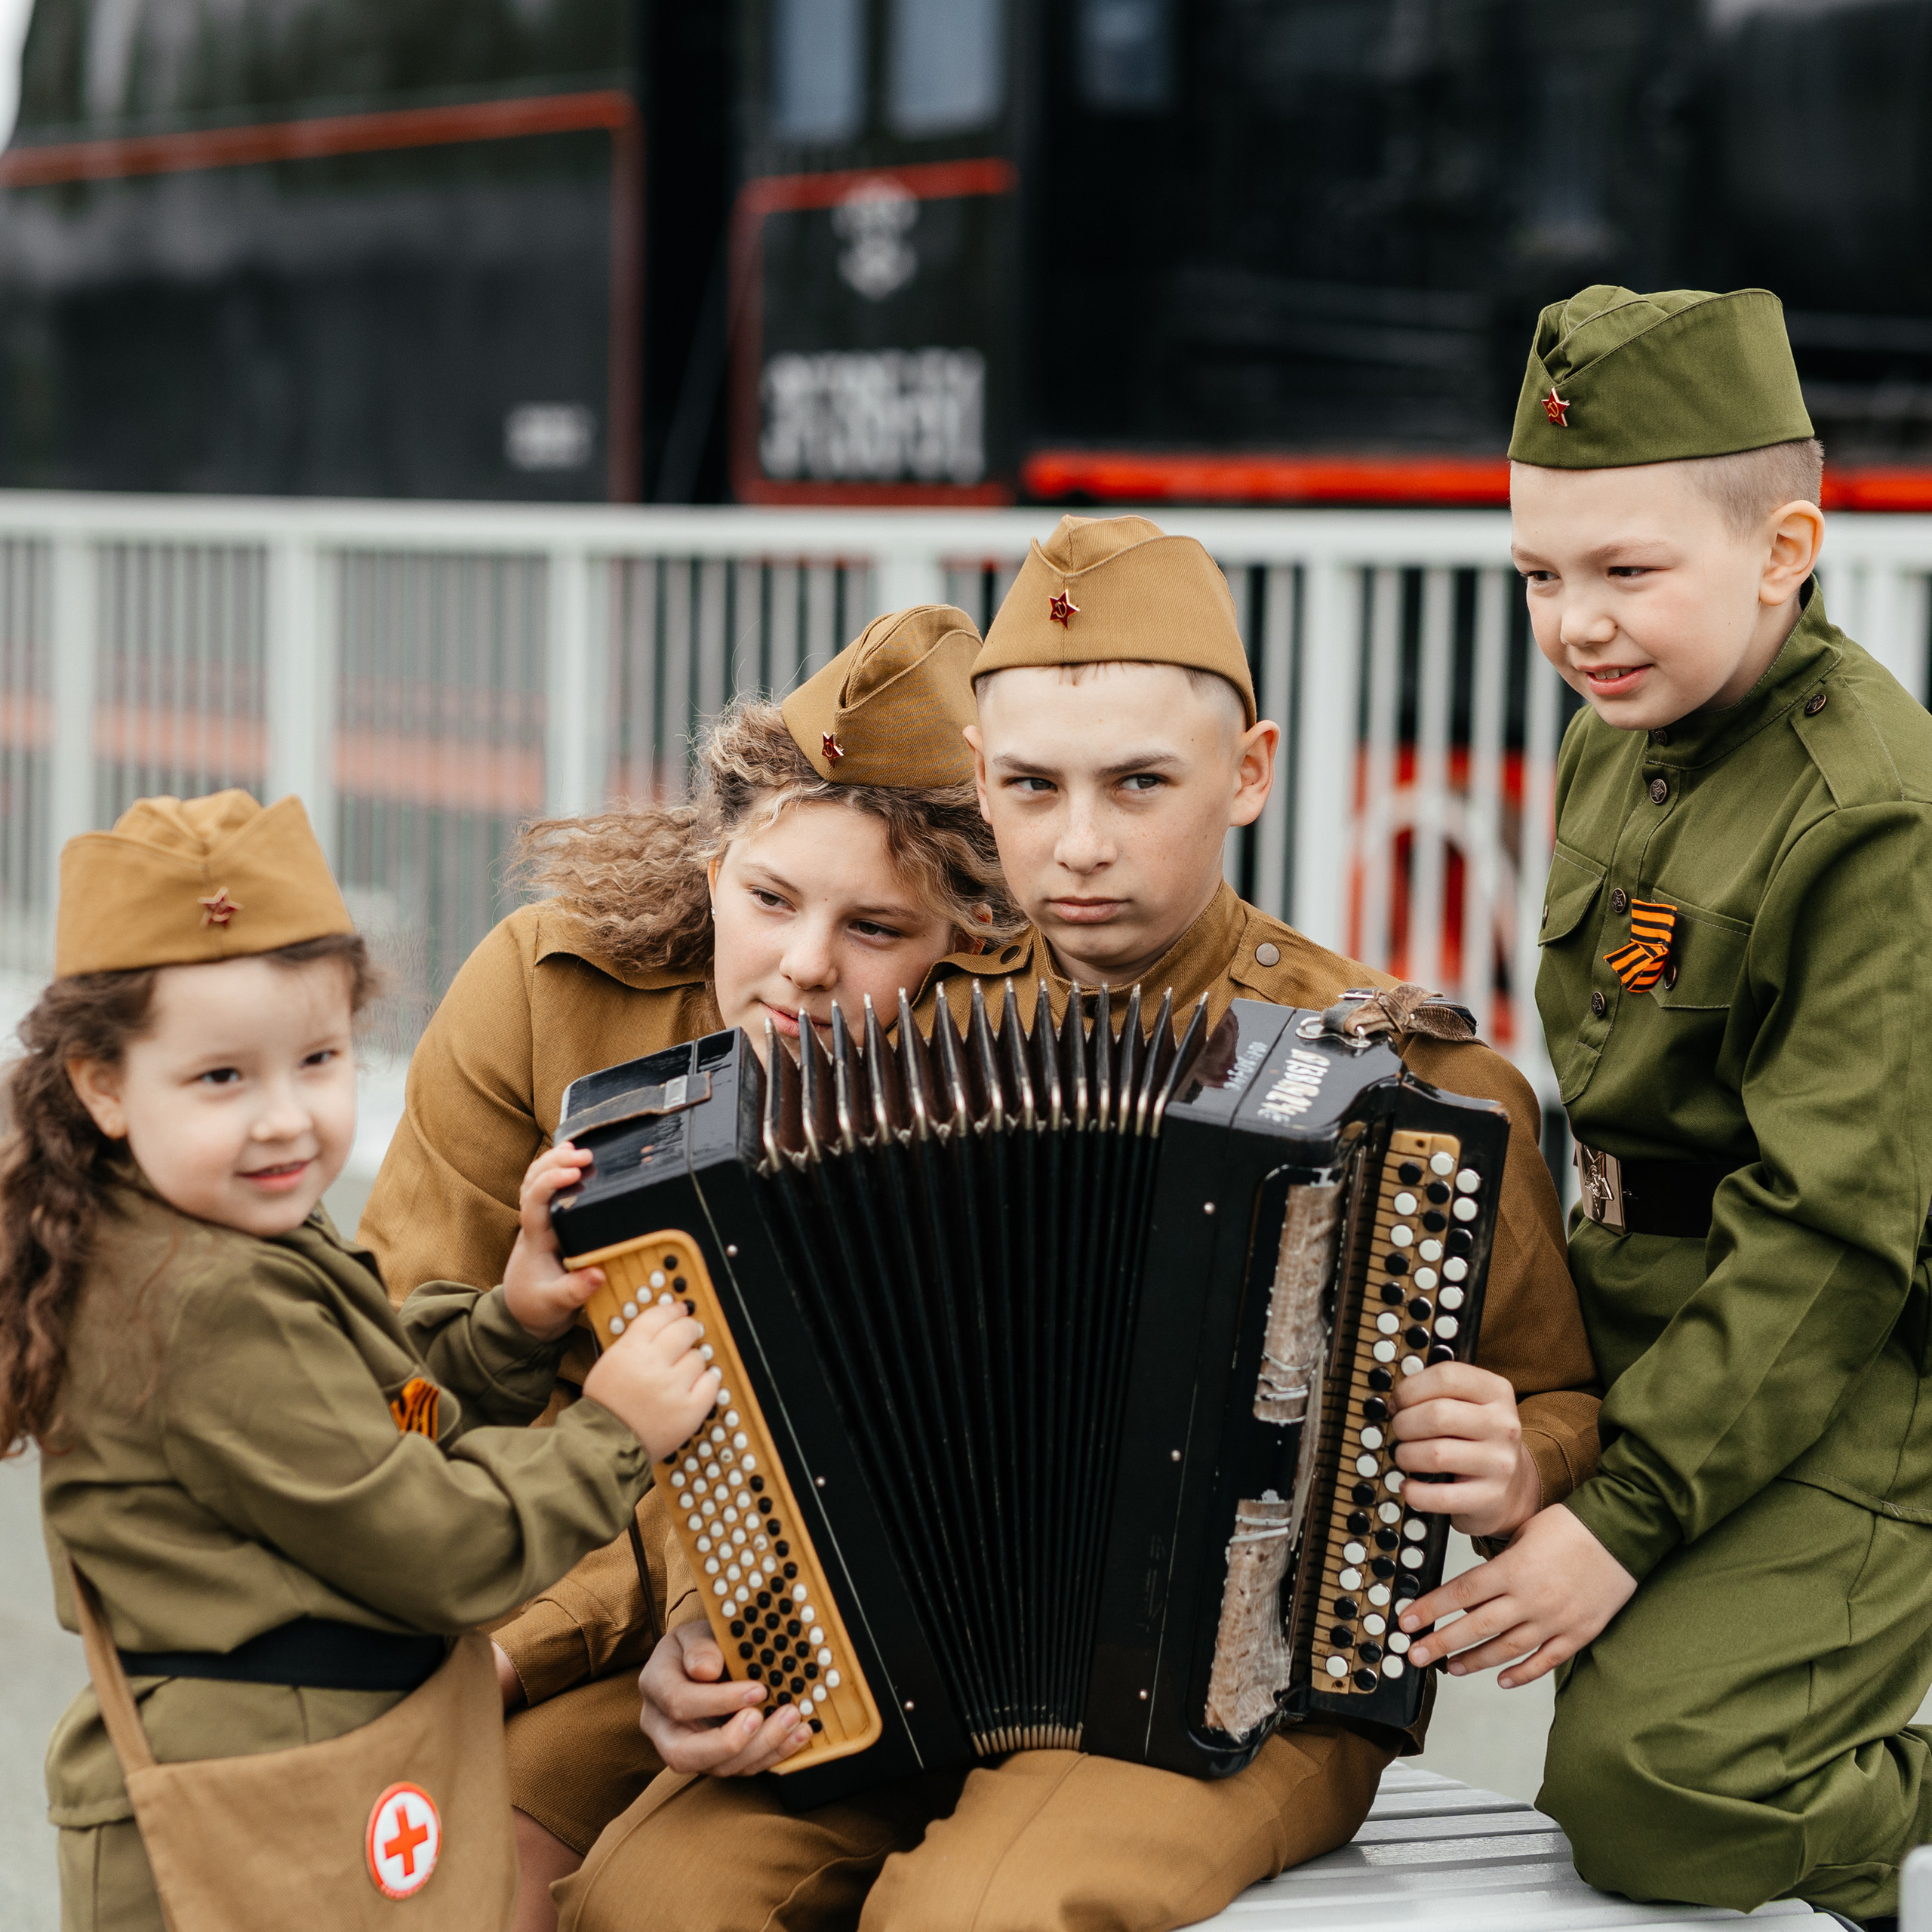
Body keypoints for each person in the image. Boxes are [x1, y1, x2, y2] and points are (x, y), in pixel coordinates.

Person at [553, 513, 1604, 1932]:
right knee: (647, 1901)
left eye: (1141, 783)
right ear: (978, 777)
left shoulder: (1406, 1087)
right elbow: (743, 1386)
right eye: (1033, 787)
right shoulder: (897, 1026)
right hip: (892, 1664)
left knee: (973, 1921)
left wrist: (1517, 1459)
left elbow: (1558, 1395)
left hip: (1258, 1696)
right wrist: (715, 1612)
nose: (1081, 844)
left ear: (1251, 772)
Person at [1397, 284, 1932, 1930]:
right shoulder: (1614, 742)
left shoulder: (1872, 813)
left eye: (1627, 571)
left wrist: (1615, 1520)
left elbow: (1832, 1234)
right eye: (1540, 576)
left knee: (1652, 1795)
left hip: (1834, 1366)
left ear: (1784, 550)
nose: (1577, 624)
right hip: (1631, 1317)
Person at [356, 605, 1019, 1922]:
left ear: (965, 939)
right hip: (537, 1566)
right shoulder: (547, 990)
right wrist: (502, 1624)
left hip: (826, 1624)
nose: (804, 967)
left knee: (543, 1868)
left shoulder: (989, 1076)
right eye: (769, 899)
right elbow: (395, 1384)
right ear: (714, 864)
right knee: (425, 1863)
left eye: (876, 928)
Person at [2, 789, 721, 1932]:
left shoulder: (203, 1228)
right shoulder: (200, 1299)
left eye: (318, 1059)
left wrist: (509, 1325)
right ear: (102, 1085)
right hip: (242, 1822)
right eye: (223, 1078)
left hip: (285, 1783)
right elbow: (435, 1547)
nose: (286, 1119)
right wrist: (614, 1433)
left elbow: (374, 1404)